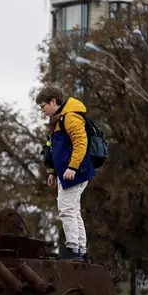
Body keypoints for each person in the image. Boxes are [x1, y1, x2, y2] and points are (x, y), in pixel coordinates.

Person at [36, 86, 94, 261]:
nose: (42, 111)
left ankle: (74, 251)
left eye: (43, 106)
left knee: (66, 209)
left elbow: (80, 142)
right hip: (67, 173)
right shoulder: (58, 120)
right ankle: (80, 251)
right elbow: (56, 150)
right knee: (73, 210)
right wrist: (53, 171)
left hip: (75, 172)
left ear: (53, 101)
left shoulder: (70, 117)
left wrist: (73, 167)